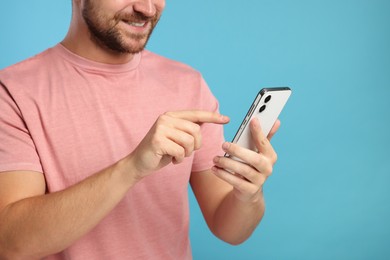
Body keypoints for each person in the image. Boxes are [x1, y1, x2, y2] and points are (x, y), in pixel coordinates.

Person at [0, 0, 280, 259]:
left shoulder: (188, 85)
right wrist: (132, 167)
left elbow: (230, 229)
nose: (146, 8)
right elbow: (11, 243)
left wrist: (249, 195)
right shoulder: (14, 92)